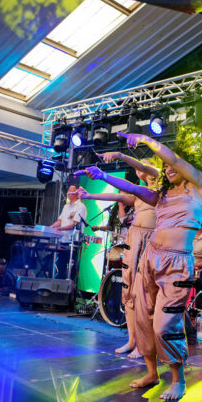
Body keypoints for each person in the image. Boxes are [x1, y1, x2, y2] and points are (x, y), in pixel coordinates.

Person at [80, 126, 202, 400]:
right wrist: (103, 176)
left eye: (172, 165)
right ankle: (151, 373)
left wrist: (146, 140)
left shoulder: (198, 185)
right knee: (143, 319)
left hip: (176, 264)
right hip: (150, 258)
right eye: (165, 168)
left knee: (164, 325)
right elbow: (135, 189)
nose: (168, 169)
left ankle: (178, 379)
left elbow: (172, 159)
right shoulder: (163, 194)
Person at [72, 153, 160, 358]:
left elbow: (135, 178)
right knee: (129, 293)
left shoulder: (157, 191)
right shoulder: (137, 194)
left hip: (149, 242)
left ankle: (144, 345)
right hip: (133, 240)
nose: (140, 169)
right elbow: (118, 196)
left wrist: (112, 164)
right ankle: (132, 340)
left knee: (143, 295)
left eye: (144, 166)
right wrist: (90, 196)